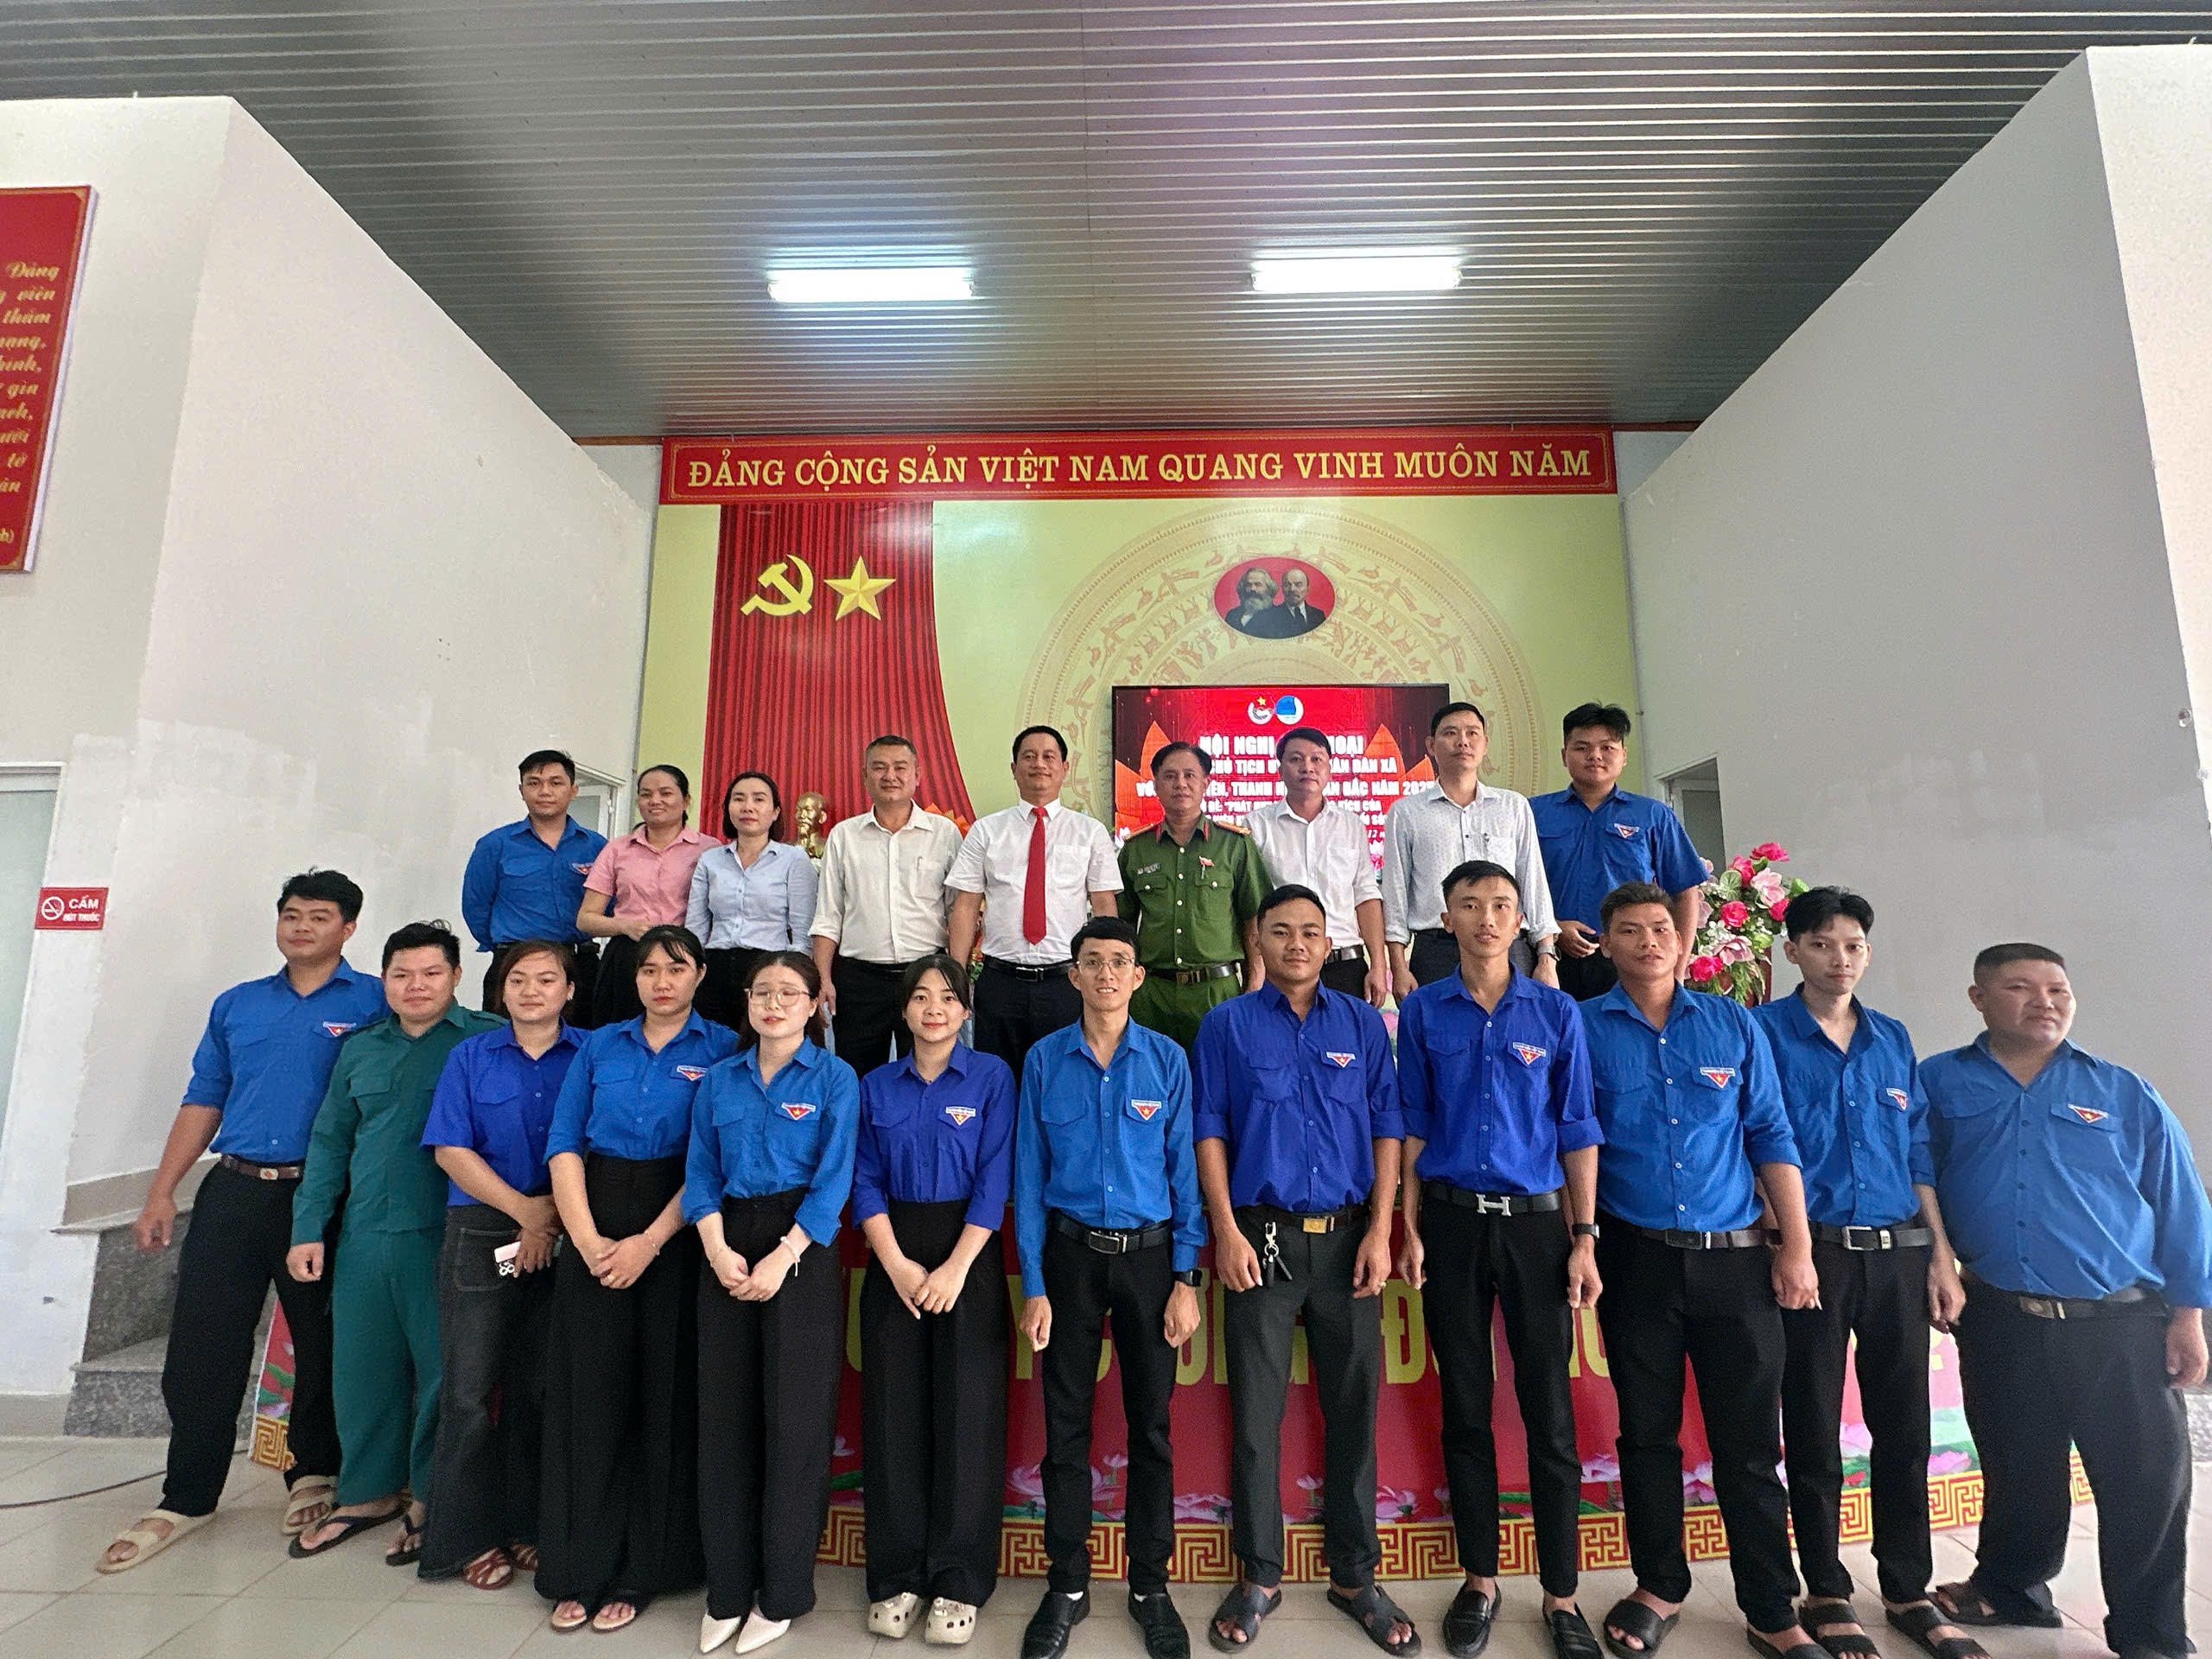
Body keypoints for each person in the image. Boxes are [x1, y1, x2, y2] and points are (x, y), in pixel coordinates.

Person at [1921, 944, 2212, 1659]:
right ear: (1979, 997)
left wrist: (2188, 1315)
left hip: (2120, 1320)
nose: (2044, 1001)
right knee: (2018, 1465)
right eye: (2020, 987)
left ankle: (2149, 1635)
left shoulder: (2122, 1090)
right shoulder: (1939, 1083)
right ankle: (2012, 1587)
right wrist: (1939, 1261)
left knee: (2145, 1479)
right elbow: (1917, 1173)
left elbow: (2181, 1202)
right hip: (1999, 1316)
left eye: (2057, 989)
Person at [99, 871, 387, 1574]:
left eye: (319, 916)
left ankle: (313, 1473)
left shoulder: (375, 1002)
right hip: (233, 1188)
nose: (301, 927)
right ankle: (188, 1494)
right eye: (292, 914)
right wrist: (162, 1191)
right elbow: (205, 1095)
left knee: (321, 1340)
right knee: (203, 1343)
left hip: (322, 1195)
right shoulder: (238, 1004)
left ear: (349, 928)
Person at [1579, 883, 1822, 1659]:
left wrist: (1797, 1247)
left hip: (1737, 1265)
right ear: (1606, 945)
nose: (1649, 941)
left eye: (1661, 928)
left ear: (1682, 940)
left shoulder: (1731, 1024)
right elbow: (1575, 1141)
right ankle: (1659, 1585)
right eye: (1630, 930)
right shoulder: (1583, 1028)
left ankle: (1770, 1606)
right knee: (1647, 1436)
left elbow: (1771, 1134)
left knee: (1749, 1446)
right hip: (1636, 1260)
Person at [1751, 890, 1980, 1659]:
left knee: (1905, 1428)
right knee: (1813, 1424)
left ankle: (1909, 1588)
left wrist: (1940, 1256)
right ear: (1792, 951)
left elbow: (1917, 1155)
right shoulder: (1763, 1033)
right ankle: (1825, 1588)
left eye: (1853, 945)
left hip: (1898, 1252)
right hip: (1812, 1251)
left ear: (1868, 954)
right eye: (1821, 944)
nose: (1839, 959)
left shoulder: (1892, 1038)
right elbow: (1755, 1139)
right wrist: (1785, 1243)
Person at [1193, 885, 1415, 1657]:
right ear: (1257, 940)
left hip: (1350, 1241)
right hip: (1260, 1241)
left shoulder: (1361, 1023)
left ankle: (1355, 1576)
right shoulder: (1225, 1025)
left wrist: (1382, 1230)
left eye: (1311, 932)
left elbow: (1388, 1125)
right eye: (1281, 931)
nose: (1296, 944)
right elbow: (1209, 1129)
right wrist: (1225, 1229)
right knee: (1257, 1417)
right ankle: (1260, 1574)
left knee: (1354, 1411)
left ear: (1329, 943)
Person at [1395, 861, 1602, 1659]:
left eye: (1502, 906)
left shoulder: (1555, 1010)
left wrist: (1584, 1237)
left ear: (1521, 921)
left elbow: (1577, 1127)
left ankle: (1562, 1593)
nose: (1486, 918)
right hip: (1449, 1226)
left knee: (1549, 1412)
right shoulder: (1423, 1010)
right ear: (1446, 918)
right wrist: (1407, 1227)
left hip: (1537, 1230)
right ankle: (1480, 1578)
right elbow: (1412, 1123)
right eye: (1470, 905)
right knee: (1466, 1407)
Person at [537, 925, 737, 1634]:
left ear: (700, 975)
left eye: (675, 969)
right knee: (589, 1398)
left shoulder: (723, 1049)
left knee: (665, 1399)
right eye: (648, 969)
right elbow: (564, 1143)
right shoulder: (600, 1045)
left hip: (677, 1230)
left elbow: (712, 1158)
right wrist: (588, 1241)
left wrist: (648, 1243)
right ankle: (579, 1567)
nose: (661, 981)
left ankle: (645, 1569)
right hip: (593, 1222)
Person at [1013, 918, 1205, 1659]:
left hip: (1149, 1263)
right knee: (1065, 1429)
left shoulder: (1166, 1060)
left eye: (1119, 962)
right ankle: (1067, 1585)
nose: (1105, 974)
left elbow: (1185, 1176)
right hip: (1068, 1259)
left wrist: (1186, 1278)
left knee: (1150, 1428)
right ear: (1074, 976)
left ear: (1137, 976)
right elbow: (1028, 1178)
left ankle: (1150, 1586)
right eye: (1092, 962)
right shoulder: (1043, 1060)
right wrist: (1034, 1284)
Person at [285, 921, 503, 1565]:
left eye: (431, 973)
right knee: (361, 1369)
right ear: (383, 980)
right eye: (401, 974)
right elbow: (329, 1141)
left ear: (456, 977)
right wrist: (307, 1228)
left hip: (448, 1234)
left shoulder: (486, 1040)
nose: (416, 986)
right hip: (365, 1236)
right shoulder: (360, 1049)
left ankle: (435, 1497)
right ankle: (367, 1491)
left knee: (444, 1373)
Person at [687, 951, 861, 1655]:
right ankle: (727, 1588)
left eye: (791, 992)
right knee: (723, 1421)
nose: (775, 1003)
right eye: (763, 992)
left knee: (795, 1424)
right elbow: (700, 1171)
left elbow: (834, 1179)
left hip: (802, 1251)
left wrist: (784, 1256)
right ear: (748, 1001)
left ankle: (783, 1591)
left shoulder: (835, 1078)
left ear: (813, 1003)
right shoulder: (719, 1080)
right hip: (725, 1244)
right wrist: (716, 1247)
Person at [853, 954, 1016, 1648]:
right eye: (920, 997)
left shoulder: (991, 1077)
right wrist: (894, 1262)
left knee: (967, 1419)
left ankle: (959, 1578)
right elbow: (862, 1178)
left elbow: (995, 1177)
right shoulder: (874, 1085)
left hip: (967, 1257)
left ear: (966, 1011)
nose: (933, 1010)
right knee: (893, 1415)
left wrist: (954, 1268)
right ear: (904, 1010)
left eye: (947, 998)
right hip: (893, 1253)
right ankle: (897, 1575)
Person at [416, 939, 580, 1589]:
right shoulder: (470, 1056)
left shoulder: (591, 1055)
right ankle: (460, 1540)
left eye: (547, 979)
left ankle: (526, 1525)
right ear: (499, 990)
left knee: (539, 1389)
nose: (531, 991)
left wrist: (551, 1218)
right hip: (484, 1229)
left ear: (570, 990)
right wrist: (526, 1213)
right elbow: (450, 1150)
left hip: (568, 1229)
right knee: (468, 1392)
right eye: (518, 980)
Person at [946, 725, 1122, 1079]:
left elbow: (1104, 908)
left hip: (1066, 982)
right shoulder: (986, 831)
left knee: (1065, 1081)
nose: (1039, 764)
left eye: (1048, 756)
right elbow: (965, 906)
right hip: (1000, 981)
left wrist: (1108, 971)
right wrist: (956, 976)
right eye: (1029, 756)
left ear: (1064, 768)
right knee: (998, 1083)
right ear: (1014, 769)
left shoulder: (1089, 832)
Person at [809, 734, 963, 1080]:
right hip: (859, 980)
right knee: (856, 1076)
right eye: (879, 768)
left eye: (899, 767)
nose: (889, 775)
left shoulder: (945, 833)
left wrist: (956, 975)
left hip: (925, 976)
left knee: (926, 1075)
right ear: (865, 776)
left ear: (917, 775)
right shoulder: (844, 836)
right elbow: (828, 914)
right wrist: (823, 978)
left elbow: (958, 910)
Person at [1382, 702, 1559, 998]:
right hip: (1437, 949)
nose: (1462, 741)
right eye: (1450, 733)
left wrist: (1546, 956)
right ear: (1431, 745)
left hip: (1508, 946)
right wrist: (1399, 967)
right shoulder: (1406, 812)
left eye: (1472, 733)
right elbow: (1395, 893)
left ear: (1485, 744)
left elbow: (1533, 880)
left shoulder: (1513, 806)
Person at [1529, 706, 1703, 999]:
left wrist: (1676, 972)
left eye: (1607, 747)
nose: (1595, 756)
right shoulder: (1533, 813)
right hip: (1549, 957)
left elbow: (1685, 892)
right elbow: (1512, 887)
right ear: (1564, 755)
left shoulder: (1653, 815)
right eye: (1582, 747)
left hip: (1633, 957)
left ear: (1623, 755)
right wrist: (1551, 928)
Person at [1118, 741, 1267, 1051]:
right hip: (1151, 993)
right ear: (1156, 785)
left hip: (1217, 991)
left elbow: (1253, 917)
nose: (1181, 784)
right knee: (1152, 1075)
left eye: (1190, 775)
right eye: (1170, 776)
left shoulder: (1234, 845)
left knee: (1217, 1075)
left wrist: (1255, 982)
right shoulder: (1136, 849)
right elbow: (1122, 924)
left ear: (1205, 783)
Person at [1243, 726, 1389, 1006]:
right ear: (1280, 770)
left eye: (1316, 759)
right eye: (1296, 759)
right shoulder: (1256, 825)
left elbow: (1366, 896)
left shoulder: (1351, 825)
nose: (1307, 767)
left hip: (1345, 964)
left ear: (1329, 770)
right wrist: (1256, 972)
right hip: (1284, 965)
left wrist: (1378, 965)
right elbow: (1251, 904)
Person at [461, 748, 607, 1020]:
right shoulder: (495, 845)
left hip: (579, 965)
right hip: (514, 964)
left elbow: (609, 906)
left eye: (556, 783)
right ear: (521, 790)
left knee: (582, 1043)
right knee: (506, 1042)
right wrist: (509, 948)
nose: (545, 791)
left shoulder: (597, 846)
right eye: (534, 783)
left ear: (573, 790)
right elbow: (476, 907)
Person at [578, 765, 719, 1028]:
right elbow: (586, 919)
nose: (655, 800)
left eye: (665, 793)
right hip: (629, 956)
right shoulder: (617, 849)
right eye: (646, 794)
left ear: (686, 800)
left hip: (686, 957)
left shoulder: (710, 849)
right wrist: (625, 926)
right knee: (620, 1036)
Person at [687, 770, 818, 1035]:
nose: (748, 807)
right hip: (716, 967)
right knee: (713, 1046)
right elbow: (695, 929)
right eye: (739, 799)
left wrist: (792, 982)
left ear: (775, 812)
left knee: (764, 1046)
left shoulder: (794, 859)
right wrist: (692, 971)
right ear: (728, 809)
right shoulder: (710, 860)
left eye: (759, 799)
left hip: (770, 969)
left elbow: (803, 934)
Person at [1226, 566, 1292, 637]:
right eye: (1248, 585)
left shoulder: (1280, 616)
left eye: (1258, 585)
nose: (1252, 589)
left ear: (1269, 589)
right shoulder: (1232, 615)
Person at [1274, 565, 1325, 635]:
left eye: (1298, 585)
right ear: (1282, 588)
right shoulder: (1272, 615)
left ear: (1308, 589)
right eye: (1287, 585)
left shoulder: (1319, 615)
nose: (1292, 589)